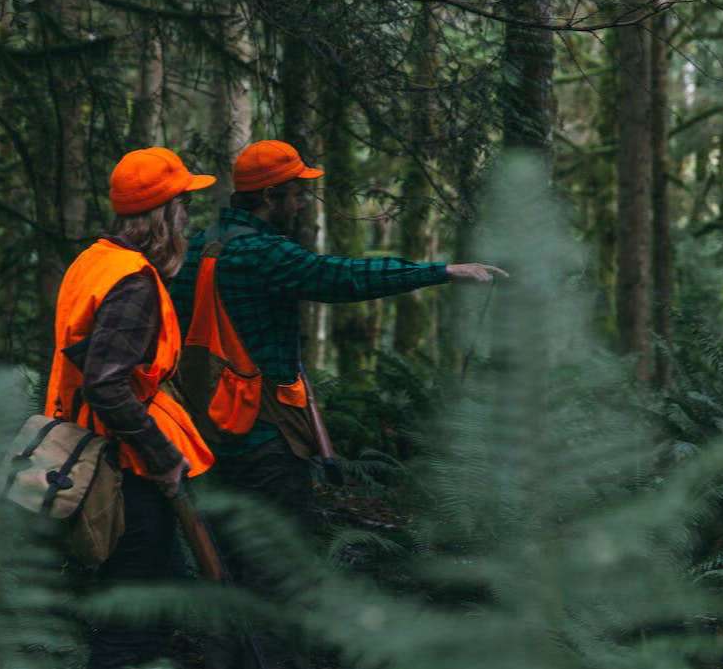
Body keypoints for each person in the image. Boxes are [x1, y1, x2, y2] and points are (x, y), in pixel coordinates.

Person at [168, 139, 506, 667]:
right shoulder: (263, 253)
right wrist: (442, 271)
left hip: (206, 436)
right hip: (265, 438)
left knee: (227, 562)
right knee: (280, 567)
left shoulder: (195, 246)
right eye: (297, 193)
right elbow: (344, 277)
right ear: (271, 196)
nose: (303, 203)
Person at [43, 146, 217, 669]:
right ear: (164, 214)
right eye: (183, 204)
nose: (187, 216)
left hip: (94, 456)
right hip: (125, 471)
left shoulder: (94, 261)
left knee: (151, 600)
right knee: (131, 625)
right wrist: (161, 457)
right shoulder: (132, 281)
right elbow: (107, 385)